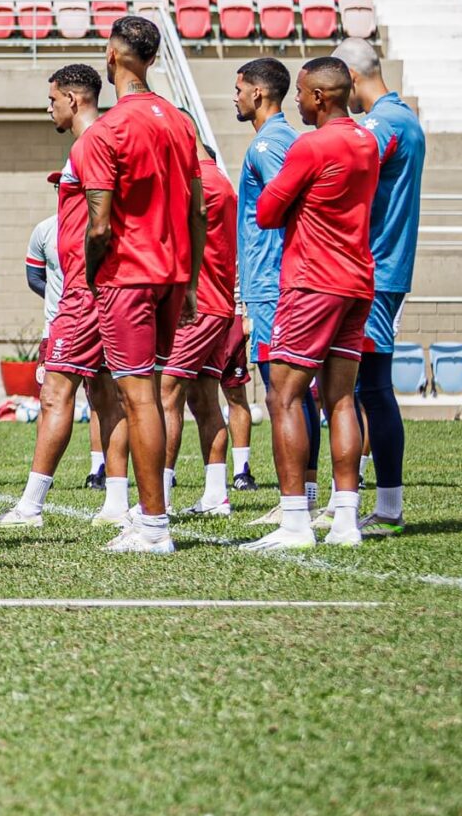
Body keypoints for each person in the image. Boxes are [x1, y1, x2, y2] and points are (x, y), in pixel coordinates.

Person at [72, 15, 203, 554]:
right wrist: (192, 279)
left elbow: (99, 224)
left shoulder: (108, 130)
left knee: (139, 400)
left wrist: (87, 269)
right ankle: (148, 516)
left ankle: (153, 526)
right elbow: (198, 207)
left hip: (128, 275)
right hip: (172, 275)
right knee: (151, 393)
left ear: (112, 54)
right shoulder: (179, 120)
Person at [246, 56, 383, 550]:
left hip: (312, 282)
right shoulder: (368, 140)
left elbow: (266, 212)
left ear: (320, 97)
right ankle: (345, 520)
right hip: (357, 280)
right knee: (341, 398)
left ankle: (296, 521)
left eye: (302, 93)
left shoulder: (311, 146)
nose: (297, 101)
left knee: (283, 395)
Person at [0, 67, 117, 528]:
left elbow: (100, 220)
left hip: (85, 293)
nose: (48, 108)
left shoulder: (90, 143)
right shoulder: (97, 143)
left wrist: (85, 276)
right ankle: (116, 502)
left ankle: (31, 506)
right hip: (99, 289)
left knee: (55, 393)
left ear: (71, 98)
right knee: (108, 396)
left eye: (52, 100)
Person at [336, 39, 423, 535]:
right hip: (381, 268)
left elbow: (345, 164)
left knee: (371, 387)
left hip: (372, 270)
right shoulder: (403, 117)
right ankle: (357, 499)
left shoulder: (382, 124)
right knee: (361, 387)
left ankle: (388, 507)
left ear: (349, 75)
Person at [159, 149, 245, 518]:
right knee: (205, 399)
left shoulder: (199, 183)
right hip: (219, 305)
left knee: (165, 394)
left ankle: (156, 497)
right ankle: (215, 495)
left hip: (198, 306)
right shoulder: (221, 182)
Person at [232, 58, 297, 500]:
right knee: (288, 392)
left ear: (258, 93)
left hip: (273, 283)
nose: (234, 97)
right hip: (272, 280)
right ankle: (303, 497)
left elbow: (288, 205)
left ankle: (295, 502)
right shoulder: (281, 139)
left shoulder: (266, 146)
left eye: (238, 89)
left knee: (282, 394)